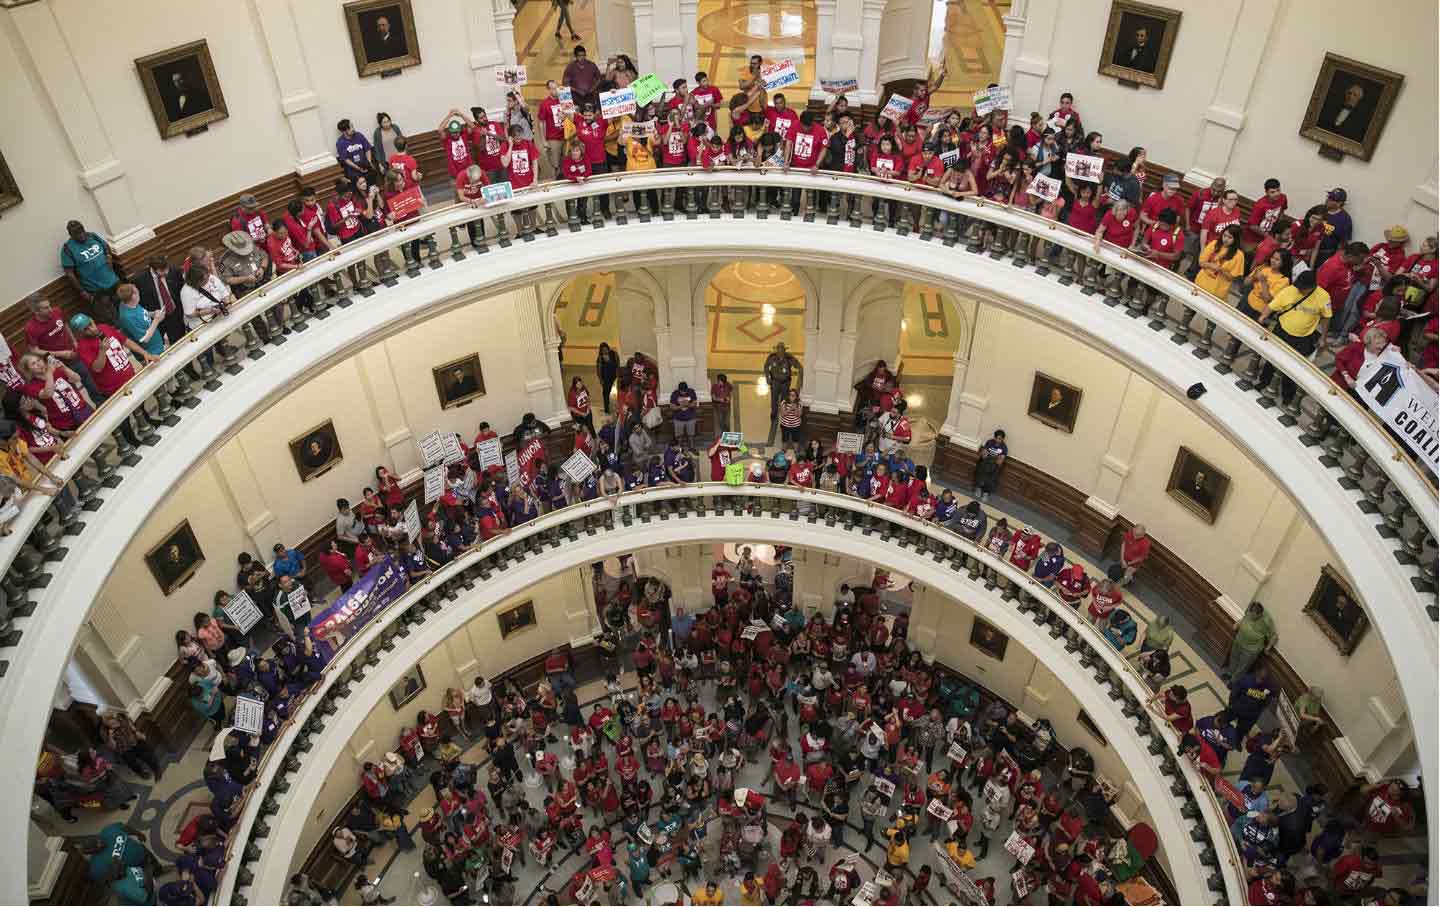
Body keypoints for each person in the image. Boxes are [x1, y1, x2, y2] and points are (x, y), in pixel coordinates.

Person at [61, 220, 121, 319]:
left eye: (81, 231)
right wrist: (82, 291)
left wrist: (109, 256)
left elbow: (106, 246)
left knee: (124, 308)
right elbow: (69, 273)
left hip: (113, 281)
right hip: (96, 290)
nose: (81, 235)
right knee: (111, 318)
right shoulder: (67, 248)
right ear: (71, 235)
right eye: (76, 233)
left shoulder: (92, 236)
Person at [1222, 601, 1277, 679]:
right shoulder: (1249, 611)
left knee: (1243, 666)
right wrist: (1238, 624)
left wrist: (1268, 648)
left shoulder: (1267, 621)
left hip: (1251, 649)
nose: (1251, 617)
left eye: (1253, 616)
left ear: (1259, 614)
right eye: (1250, 614)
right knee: (1234, 658)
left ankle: (1235, 680)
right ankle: (1230, 673)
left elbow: (1274, 636)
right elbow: (1244, 618)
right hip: (1239, 641)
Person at [763, 343, 801, 421]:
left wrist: (800, 378)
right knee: (774, 399)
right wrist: (767, 377)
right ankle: (774, 413)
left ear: (784, 350)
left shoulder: (789, 358)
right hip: (774, 382)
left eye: (782, 350)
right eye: (778, 350)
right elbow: (766, 366)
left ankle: (783, 413)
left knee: (784, 399)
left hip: (785, 383)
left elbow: (798, 366)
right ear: (776, 350)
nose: (780, 352)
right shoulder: (772, 357)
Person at [973, 429, 1007, 501]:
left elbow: (1000, 462)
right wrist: (995, 457)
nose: (998, 440)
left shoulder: (1004, 447)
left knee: (990, 480)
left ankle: (986, 493)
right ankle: (978, 489)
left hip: (994, 466)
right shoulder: (989, 442)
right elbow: (983, 455)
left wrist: (991, 456)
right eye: (997, 438)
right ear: (994, 438)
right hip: (985, 462)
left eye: (1000, 439)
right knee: (981, 475)